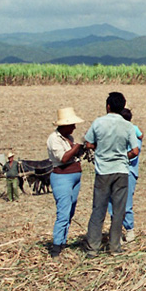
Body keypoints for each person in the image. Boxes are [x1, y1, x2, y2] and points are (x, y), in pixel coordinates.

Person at [83, 92, 140, 257]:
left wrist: (99, 150)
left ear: (108, 106)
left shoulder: (98, 122)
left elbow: (88, 143)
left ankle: (92, 248)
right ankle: (114, 247)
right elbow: (135, 150)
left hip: (103, 171)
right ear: (123, 107)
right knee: (119, 210)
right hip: (121, 171)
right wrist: (124, 156)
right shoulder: (128, 126)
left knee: (98, 209)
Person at [46, 108, 86, 258]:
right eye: (72, 124)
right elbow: (63, 158)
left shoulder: (68, 137)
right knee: (63, 212)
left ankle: (62, 241)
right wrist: (78, 145)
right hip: (62, 176)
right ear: (65, 125)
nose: (74, 127)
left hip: (74, 175)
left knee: (70, 211)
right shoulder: (54, 139)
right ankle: (56, 247)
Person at [108, 108, 143, 242]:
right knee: (112, 203)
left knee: (125, 203)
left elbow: (133, 153)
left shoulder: (131, 133)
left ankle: (129, 230)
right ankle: (116, 231)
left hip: (128, 172)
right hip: (114, 170)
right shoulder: (130, 131)